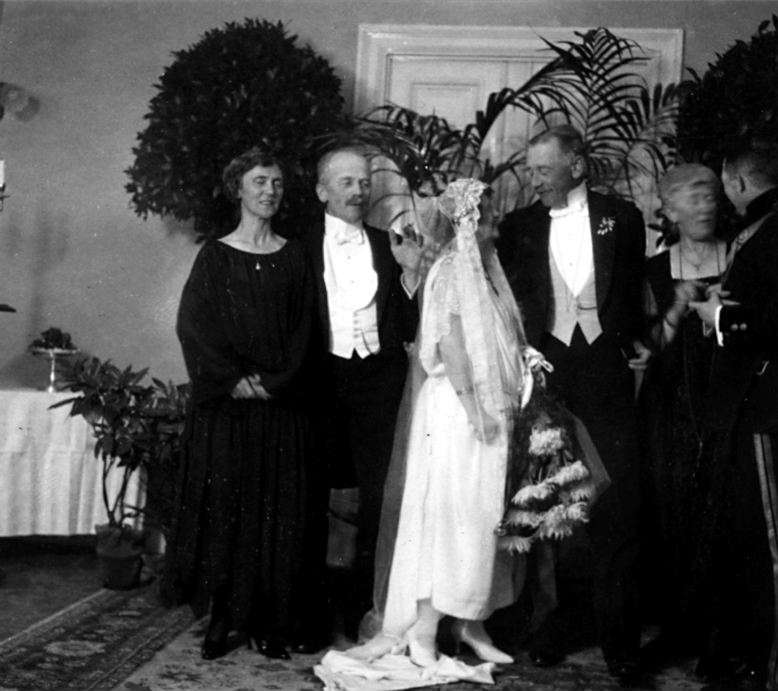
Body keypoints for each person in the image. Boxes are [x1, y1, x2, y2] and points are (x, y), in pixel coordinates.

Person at [346, 178, 523, 670]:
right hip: (457, 413)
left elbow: (501, 338)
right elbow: (450, 344)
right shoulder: (449, 271)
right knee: (451, 519)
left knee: (482, 517)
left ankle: (471, 621)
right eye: (488, 220)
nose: (496, 229)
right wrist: (474, 410)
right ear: (468, 224)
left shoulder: (483, 270)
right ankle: (424, 627)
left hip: (487, 407)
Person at [497, 124, 650, 683]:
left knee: (617, 506)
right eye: (531, 170)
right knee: (550, 505)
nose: (534, 180)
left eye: (543, 170)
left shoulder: (622, 217)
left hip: (607, 374)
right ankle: (550, 630)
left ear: (577, 166)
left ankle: (620, 643)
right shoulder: (520, 226)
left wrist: (637, 343)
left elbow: (633, 291)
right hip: (550, 375)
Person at [164, 147, 324, 661]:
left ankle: (271, 621)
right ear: (238, 188)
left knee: (280, 516)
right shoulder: (215, 256)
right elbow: (194, 326)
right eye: (259, 181)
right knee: (228, 513)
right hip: (227, 412)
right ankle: (224, 617)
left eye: (276, 183)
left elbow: (307, 329)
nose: (269, 191)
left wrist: (275, 383)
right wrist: (232, 380)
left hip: (282, 408)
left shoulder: (296, 256)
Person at [688, 138, 778, 691]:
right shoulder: (767, 228)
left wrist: (720, 319)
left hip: (769, 410)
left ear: (737, 182)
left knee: (775, 548)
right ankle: (754, 658)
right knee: (752, 544)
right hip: (749, 410)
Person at [307, 146, 423, 638]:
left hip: (379, 383)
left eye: (363, 181)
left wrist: (411, 272)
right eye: (347, 182)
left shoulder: (387, 244)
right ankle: (312, 613)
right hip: (320, 383)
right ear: (322, 191)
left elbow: (413, 322)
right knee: (311, 496)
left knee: (378, 498)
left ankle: (366, 607)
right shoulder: (298, 248)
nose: (359, 191)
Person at [637, 163, 727, 656]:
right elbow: (647, 348)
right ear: (670, 211)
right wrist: (674, 310)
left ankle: (721, 631)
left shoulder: (738, 257)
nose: (706, 206)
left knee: (724, 511)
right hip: (669, 410)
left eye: (711, 196)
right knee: (672, 512)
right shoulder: (654, 270)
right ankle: (678, 628)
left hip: (725, 405)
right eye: (694, 198)